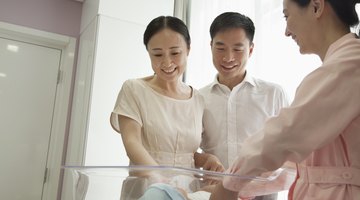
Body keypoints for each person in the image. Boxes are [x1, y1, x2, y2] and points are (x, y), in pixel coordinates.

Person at [210, 0, 360, 199]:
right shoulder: (340, 66)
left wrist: (229, 184)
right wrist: (239, 187)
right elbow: (295, 161)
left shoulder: (349, 66)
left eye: (286, 16)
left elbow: (283, 135)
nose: (286, 31)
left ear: (316, 6)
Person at [194, 12, 289, 200]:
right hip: (213, 193)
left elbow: (290, 149)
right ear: (210, 46)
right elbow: (189, 150)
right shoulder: (197, 98)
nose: (228, 58)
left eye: (238, 49)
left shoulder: (273, 94)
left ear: (251, 50)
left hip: (262, 194)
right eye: (220, 48)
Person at [110, 15, 203, 199]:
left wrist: (206, 159)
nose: (167, 62)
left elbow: (186, 151)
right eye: (158, 54)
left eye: (175, 53)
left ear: (188, 50)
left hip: (187, 192)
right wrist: (158, 180)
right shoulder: (134, 89)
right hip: (147, 188)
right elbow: (132, 142)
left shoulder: (198, 98)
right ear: (148, 53)